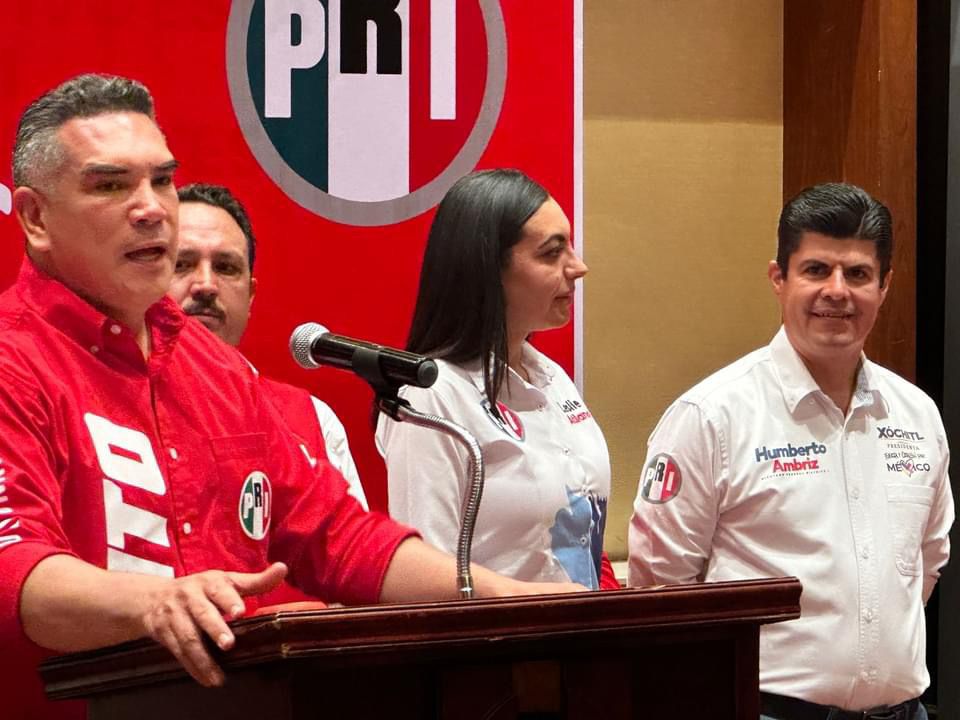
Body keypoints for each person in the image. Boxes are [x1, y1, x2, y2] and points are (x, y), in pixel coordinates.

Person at [0, 74, 581, 720]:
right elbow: (13, 564)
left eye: (161, 180)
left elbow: (338, 537)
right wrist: (151, 602)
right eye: (111, 185)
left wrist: (498, 596)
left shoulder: (218, 370)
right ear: (35, 217)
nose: (152, 208)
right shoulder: (12, 361)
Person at [628, 183, 953, 720]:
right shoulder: (712, 415)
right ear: (779, 279)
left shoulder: (917, 414)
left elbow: (927, 561)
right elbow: (662, 588)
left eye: (858, 274)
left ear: (885, 286)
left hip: (902, 711)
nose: (837, 291)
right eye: (816, 270)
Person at [376, 169, 618, 590]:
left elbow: (584, 536)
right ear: (488, 270)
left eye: (570, 247)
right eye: (551, 253)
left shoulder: (552, 377)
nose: (578, 267)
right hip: (494, 633)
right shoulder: (431, 396)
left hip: (581, 629)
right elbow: (425, 586)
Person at [169, 182, 367, 511]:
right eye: (181, 264)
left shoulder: (314, 423)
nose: (206, 285)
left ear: (250, 296)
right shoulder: (101, 407)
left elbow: (350, 542)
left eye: (225, 267)